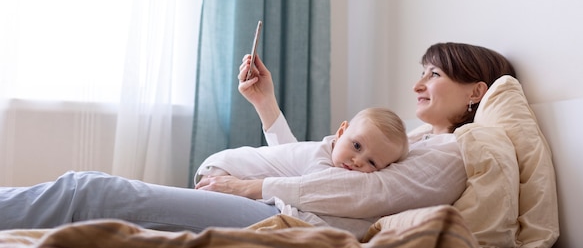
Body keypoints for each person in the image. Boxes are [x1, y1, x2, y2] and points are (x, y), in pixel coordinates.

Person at [0, 42, 516, 239]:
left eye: (434, 74)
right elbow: (312, 172)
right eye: (421, 71)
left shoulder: (454, 150)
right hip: (285, 208)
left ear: (476, 90)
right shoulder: (419, 139)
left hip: (293, 222)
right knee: (100, 199)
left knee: (92, 192)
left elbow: (366, 196)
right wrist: (266, 106)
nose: (418, 84)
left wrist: (245, 189)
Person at [196, 107, 410, 181]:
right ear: (341, 131)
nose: (357, 161)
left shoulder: (328, 154)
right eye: (356, 146)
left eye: (372, 162)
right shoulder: (319, 161)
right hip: (227, 169)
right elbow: (310, 193)